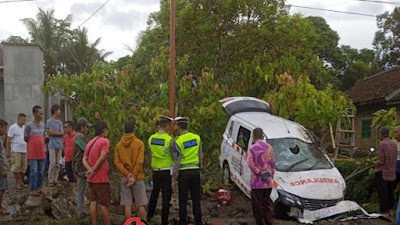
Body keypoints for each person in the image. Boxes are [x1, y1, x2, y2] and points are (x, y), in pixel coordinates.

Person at [171, 117, 202, 225]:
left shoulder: (177, 141)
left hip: (183, 173)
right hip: (195, 171)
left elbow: (176, 161)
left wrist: (173, 179)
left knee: (183, 201)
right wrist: (199, 170)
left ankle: (183, 222)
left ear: (178, 127)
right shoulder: (196, 138)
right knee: (196, 200)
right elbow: (200, 155)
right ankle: (199, 221)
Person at [114, 121, 147, 222]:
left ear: (124, 130)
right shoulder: (139, 143)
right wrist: (133, 175)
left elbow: (117, 162)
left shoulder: (118, 145)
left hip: (125, 178)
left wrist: (127, 174)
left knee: (127, 205)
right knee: (141, 204)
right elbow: (139, 161)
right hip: (137, 177)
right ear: (134, 130)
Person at [83, 121, 111, 225]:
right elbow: (102, 157)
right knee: (104, 204)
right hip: (101, 178)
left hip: (91, 179)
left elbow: (84, 158)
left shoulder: (90, 142)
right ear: (104, 130)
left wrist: (89, 169)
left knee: (93, 202)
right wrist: (94, 169)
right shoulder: (105, 141)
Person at [147, 117, 173, 225]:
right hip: (166, 170)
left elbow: (150, 153)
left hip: (156, 170)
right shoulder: (170, 139)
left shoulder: (151, 138)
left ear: (158, 127)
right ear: (166, 127)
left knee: (154, 193)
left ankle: (149, 215)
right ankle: (164, 221)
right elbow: (174, 154)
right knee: (166, 197)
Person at [247, 128, 275, 225]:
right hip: (268, 183)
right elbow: (273, 164)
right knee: (267, 205)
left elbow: (250, 163)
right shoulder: (270, 148)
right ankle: (269, 222)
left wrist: (259, 172)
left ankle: (260, 223)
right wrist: (270, 176)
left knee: (257, 206)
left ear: (253, 136)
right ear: (263, 136)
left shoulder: (252, 148)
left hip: (257, 183)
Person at [375, 126, 397, 217]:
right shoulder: (393, 144)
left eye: (379, 133)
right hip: (392, 172)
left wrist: (376, 163)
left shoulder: (382, 144)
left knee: (383, 192)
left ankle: (384, 211)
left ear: (382, 134)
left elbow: (381, 160)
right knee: (390, 191)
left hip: (383, 172)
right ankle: (390, 210)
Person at [25, 105, 46, 196]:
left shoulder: (43, 125)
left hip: (41, 152)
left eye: (42, 114)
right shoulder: (29, 126)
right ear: (34, 114)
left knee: (41, 171)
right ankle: (33, 188)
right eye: (39, 114)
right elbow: (26, 138)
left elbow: (43, 137)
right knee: (33, 170)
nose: (41, 116)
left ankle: (39, 187)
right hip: (33, 152)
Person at [73, 117, 92, 218]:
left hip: (81, 167)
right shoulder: (79, 136)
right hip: (81, 167)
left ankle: (82, 211)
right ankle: (81, 212)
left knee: (82, 190)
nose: (87, 129)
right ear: (82, 127)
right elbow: (86, 149)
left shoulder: (80, 136)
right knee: (82, 190)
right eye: (86, 127)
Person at [6, 113, 28, 189]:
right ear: (19, 119)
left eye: (25, 120)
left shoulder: (24, 128)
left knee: (23, 167)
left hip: (24, 150)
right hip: (16, 150)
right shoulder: (13, 127)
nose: (24, 121)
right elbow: (8, 139)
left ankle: (21, 181)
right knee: (16, 166)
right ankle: (17, 182)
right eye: (23, 120)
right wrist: (8, 151)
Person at [46, 104, 64, 187]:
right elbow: (50, 132)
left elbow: (62, 133)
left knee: (57, 163)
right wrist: (57, 133)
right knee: (52, 163)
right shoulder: (49, 121)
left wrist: (54, 133)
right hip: (52, 145)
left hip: (59, 145)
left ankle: (55, 179)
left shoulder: (60, 122)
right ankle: (50, 179)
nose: (60, 111)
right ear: (55, 111)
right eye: (58, 110)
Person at [63, 121, 77, 190]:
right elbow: (64, 145)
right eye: (64, 127)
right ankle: (74, 191)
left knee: (76, 175)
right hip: (67, 159)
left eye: (66, 127)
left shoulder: (76, 136)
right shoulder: (65, 137)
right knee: (70, 175)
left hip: (75, 159)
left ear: (70, 127)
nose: (65, 129)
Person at [0, 119, 9, 215]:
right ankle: (0, 208)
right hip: (1, 168)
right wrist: (2, 169)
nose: (5, 131)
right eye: (4, 129)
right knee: (1, 188)